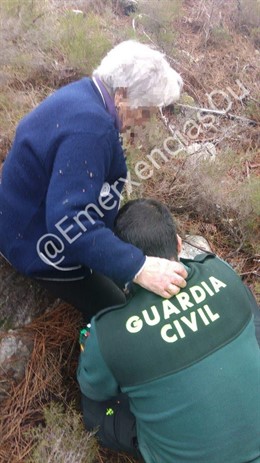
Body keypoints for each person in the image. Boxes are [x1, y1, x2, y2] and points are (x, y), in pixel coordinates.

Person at [0, 40, 187, 319]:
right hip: (35, 244)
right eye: (146, 110)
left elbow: (85, 193)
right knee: (129, 312)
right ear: (122, 95)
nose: (145, 120)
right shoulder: (90, 131)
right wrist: (138, 267)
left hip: (24, 216)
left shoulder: (83, 95)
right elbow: (70, 224)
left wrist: (152, 241)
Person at [77, 199, 260, 463]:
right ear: (177, 243)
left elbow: (92, 389)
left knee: (97, 410)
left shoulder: (108, 332)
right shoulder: (221, 272)